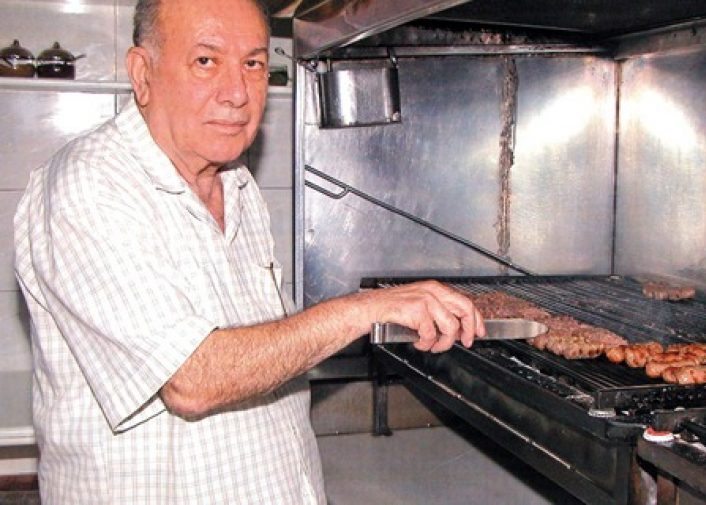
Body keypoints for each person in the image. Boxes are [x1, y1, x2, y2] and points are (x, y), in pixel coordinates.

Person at [13, 0, 485, 503]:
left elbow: (264, 359)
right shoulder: (90, 184)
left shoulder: (236, 183)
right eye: (206, 61)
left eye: (254, 64)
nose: (237, 93)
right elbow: (191, 380)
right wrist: (365, 309)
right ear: (142, 74)